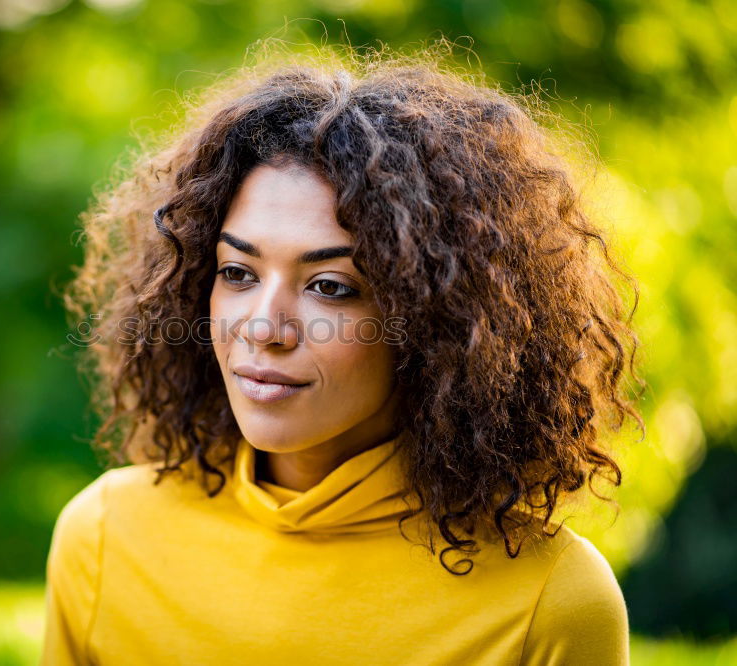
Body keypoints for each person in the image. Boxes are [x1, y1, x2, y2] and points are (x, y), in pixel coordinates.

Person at [42, 42, 645, 665]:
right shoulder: (105, 541)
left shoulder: (551, 604)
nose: (264, 328)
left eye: (330, 287)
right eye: (239, 273)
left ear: (435, 323)